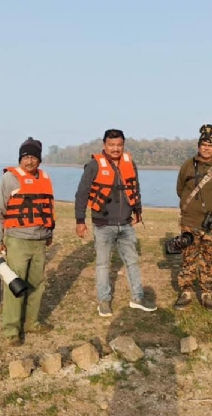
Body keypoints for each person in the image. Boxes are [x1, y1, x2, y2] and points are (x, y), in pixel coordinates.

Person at [75, 129, 156, 317]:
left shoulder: (130, 164)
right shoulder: (94, 165)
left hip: (126, 223)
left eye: (119, 145)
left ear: (123, 145)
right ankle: (104, 301)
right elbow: (81, 194)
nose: (115, 149)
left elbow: (135, 188)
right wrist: (80, 220)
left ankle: (138, 298)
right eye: (111, 145)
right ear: (104, 145)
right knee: (103, 265)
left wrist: (138, 211)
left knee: (133, 262)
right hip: (103, 224)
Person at [0, 138, 55, 342]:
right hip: (17, 240)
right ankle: (11, 329)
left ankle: (31, 322)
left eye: (33, 157)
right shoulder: (9, 179)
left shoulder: (45, 177)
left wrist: (49, 233)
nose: (29, 161)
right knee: (15, 284)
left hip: (39, 241)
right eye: (26, 157)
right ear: (20, 158)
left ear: (39, 160)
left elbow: (47, 208)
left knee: (37, 283)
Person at [174, 124, 212, 310]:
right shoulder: (187, 165)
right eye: (203, 144)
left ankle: (207, 293)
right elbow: (180, 189)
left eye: (210, 145)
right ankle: (186, 292)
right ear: (199, 146)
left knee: (210, 259)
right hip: (190, 222)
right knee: (188, 257)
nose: (206, 148)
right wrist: (191, 207)